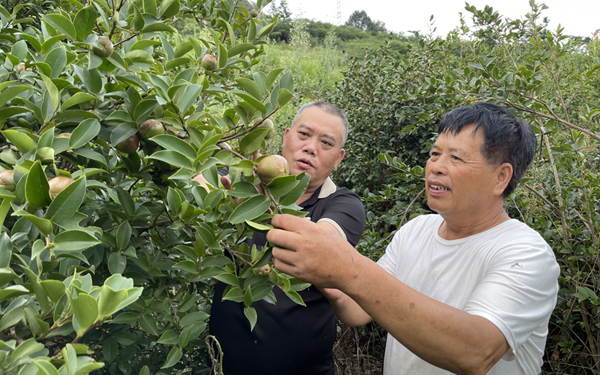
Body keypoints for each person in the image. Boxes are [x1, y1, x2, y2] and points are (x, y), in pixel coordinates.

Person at [267, 102, 560, 375]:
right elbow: (358, 310)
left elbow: (475, 352)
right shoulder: (416, 230)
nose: (436, 167)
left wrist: (348, 268)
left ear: (501, 178)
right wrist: (327, 275)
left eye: (455, 157)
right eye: (435, 154)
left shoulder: (527, 253)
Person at [208, 101, 366, 375]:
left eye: (326, 143)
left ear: (338, 158)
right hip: (225, 366)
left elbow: (318, 245)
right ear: (286, 136)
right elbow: (196, 181)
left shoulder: (342, 205)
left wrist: (258, 207)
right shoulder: (240, 180)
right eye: (304, 135)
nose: (311, 148)